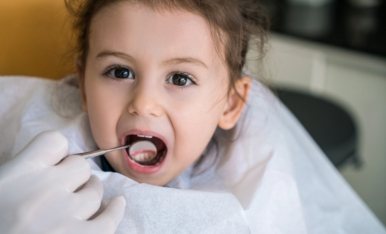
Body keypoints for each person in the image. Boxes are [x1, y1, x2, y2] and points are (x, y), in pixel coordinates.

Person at [0, 0, 385, 233]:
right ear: (83, 86)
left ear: (231, 105)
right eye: (120, 71)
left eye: (180, 78)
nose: (144, 103)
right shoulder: (26, 140)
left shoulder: (253, 200)